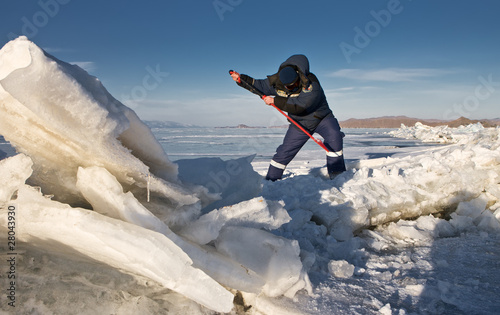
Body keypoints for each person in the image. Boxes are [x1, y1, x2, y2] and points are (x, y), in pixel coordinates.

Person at [231, 54, 346, 181]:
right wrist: (241, 79)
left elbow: (301, 106)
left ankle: (337, 176)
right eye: (287, 86)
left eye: (292, 85)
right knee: (283, 153)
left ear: (298, 77)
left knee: (334, 136)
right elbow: (260, 86)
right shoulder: (278, 81)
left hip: (322, 119)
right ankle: (271, 181)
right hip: (299, 124)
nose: (289, 88)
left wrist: (275, 101)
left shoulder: (311, 83)